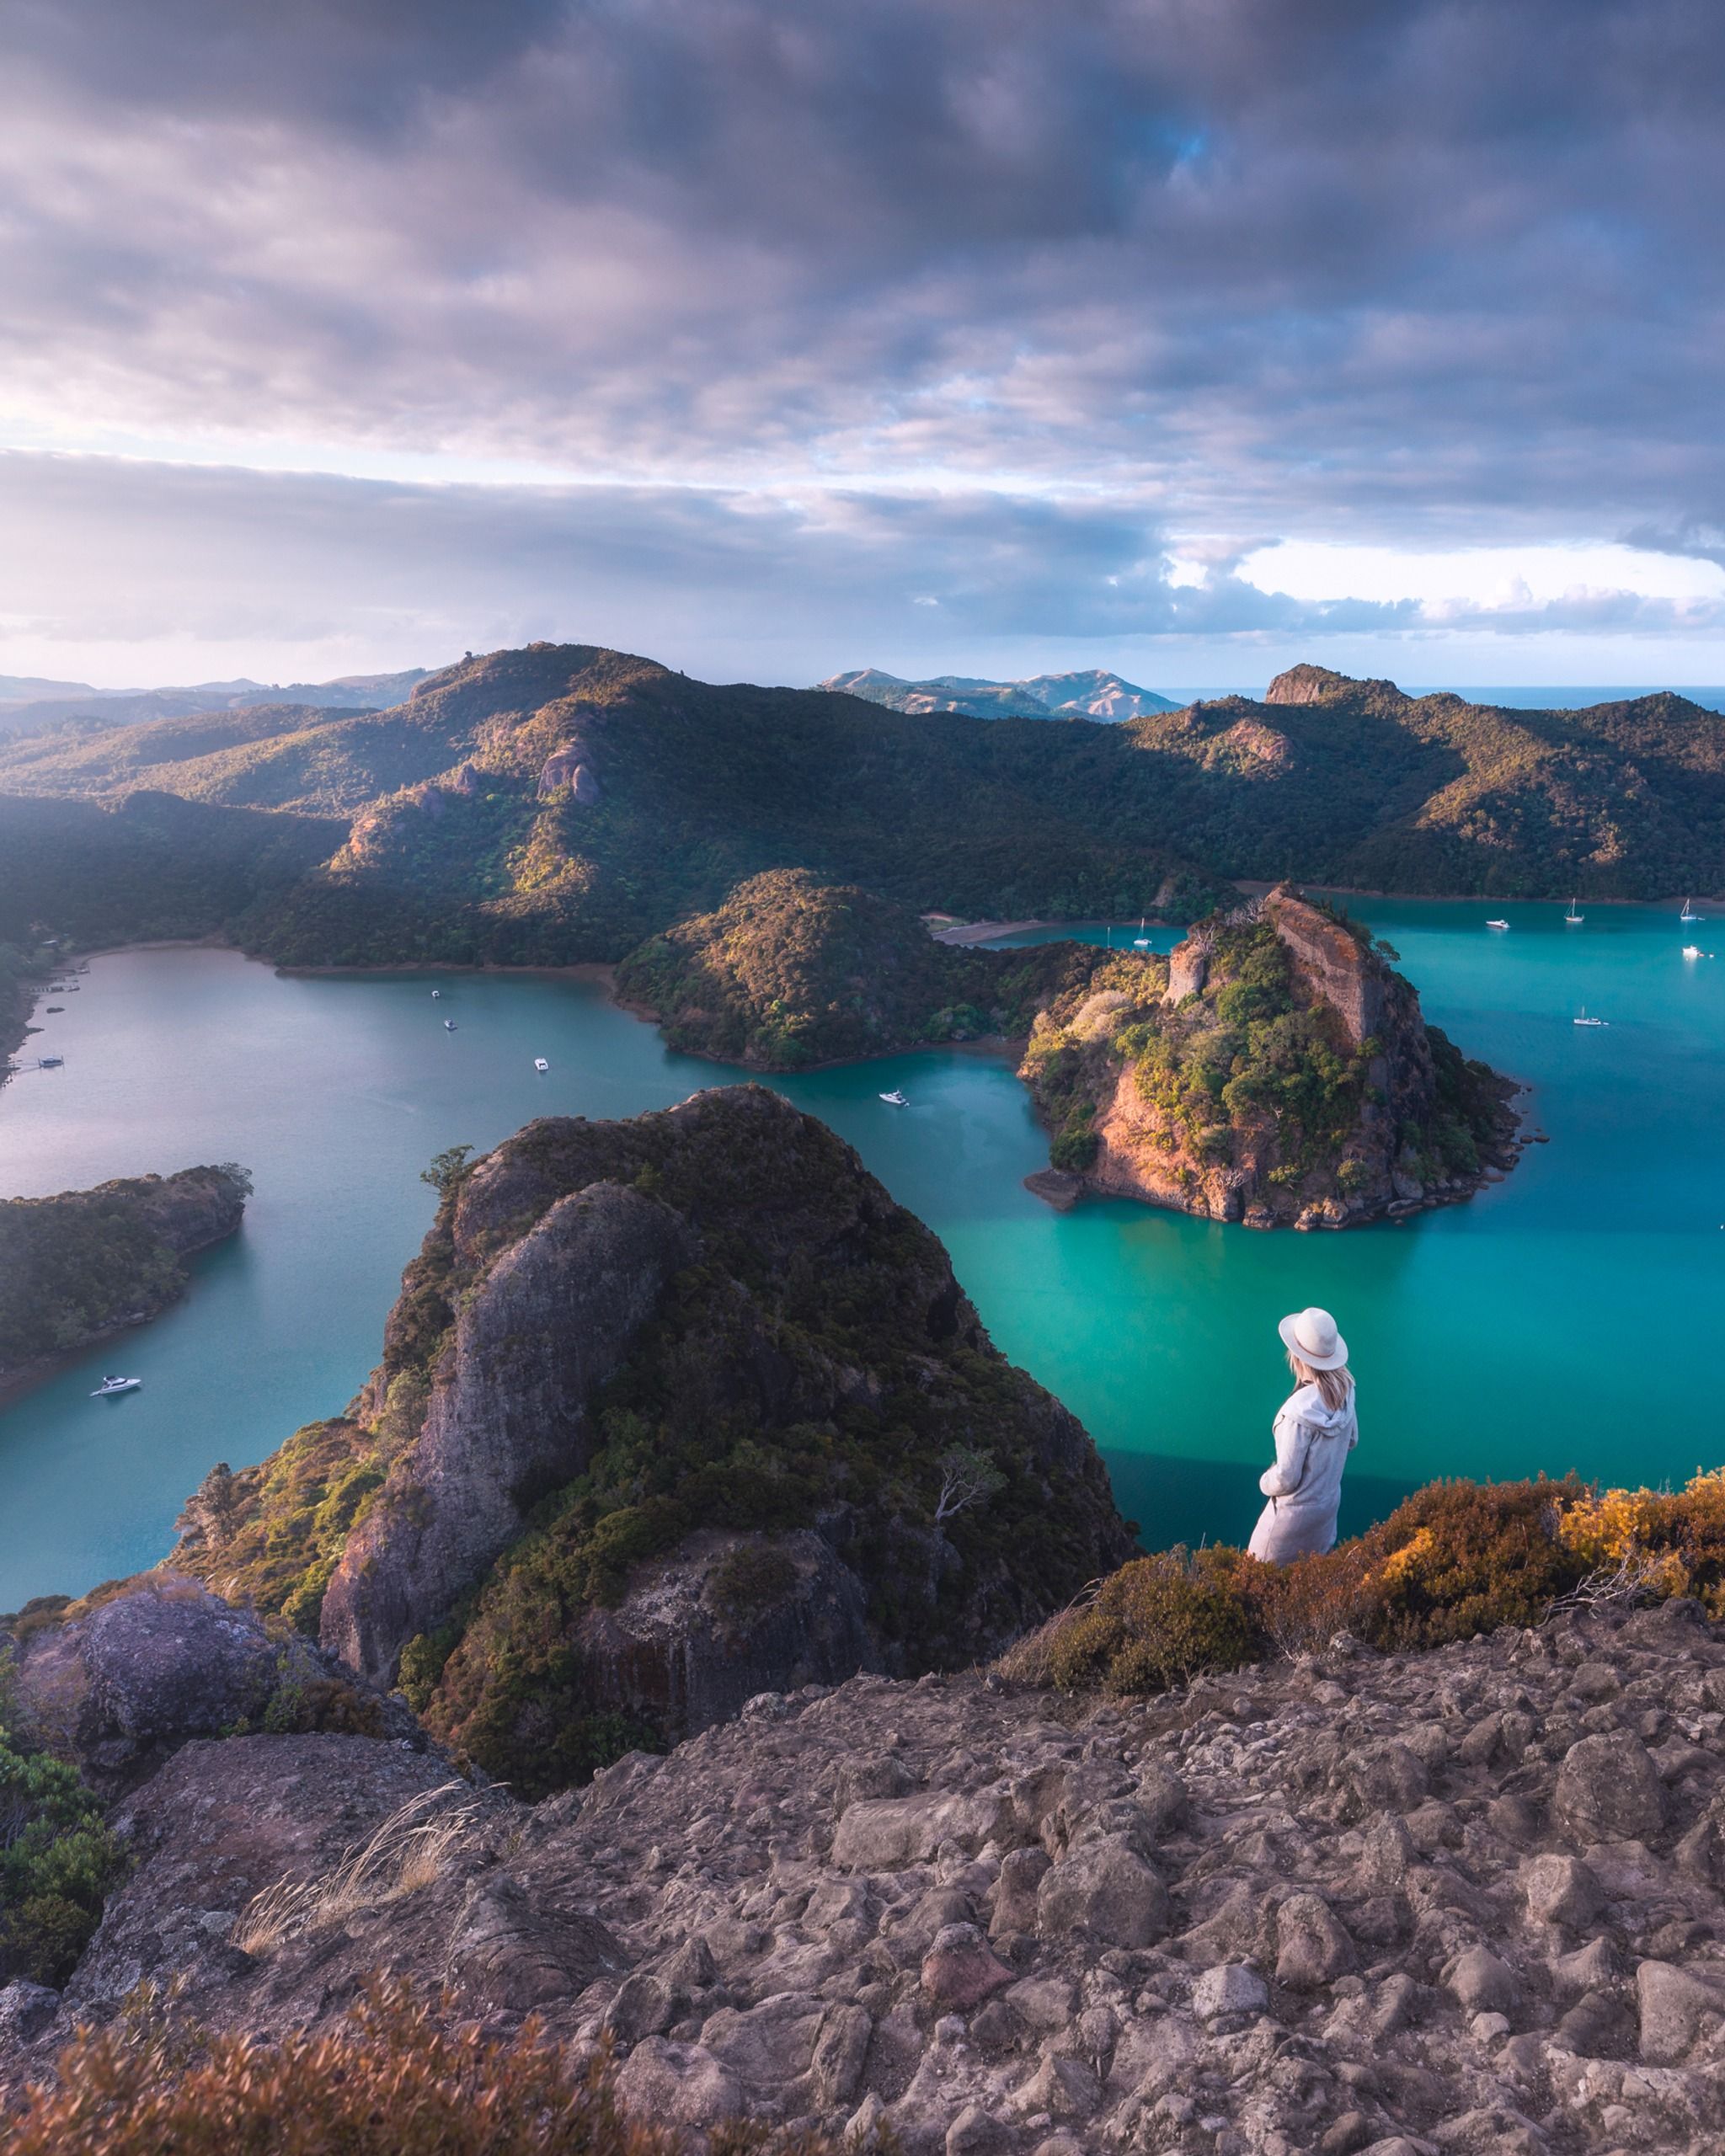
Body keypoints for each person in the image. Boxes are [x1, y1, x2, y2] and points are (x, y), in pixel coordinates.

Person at [1247, 1305, 1358, 1564]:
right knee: (1309, 1577)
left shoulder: (1296, 1413)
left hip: (1286, 1526)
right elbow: (1352, 1440)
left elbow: (1286, 1478)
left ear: (1297, 1357)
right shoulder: (1346, 1393)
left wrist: (1265, 1480)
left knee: (1254, 1576)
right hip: (1323, 1519)